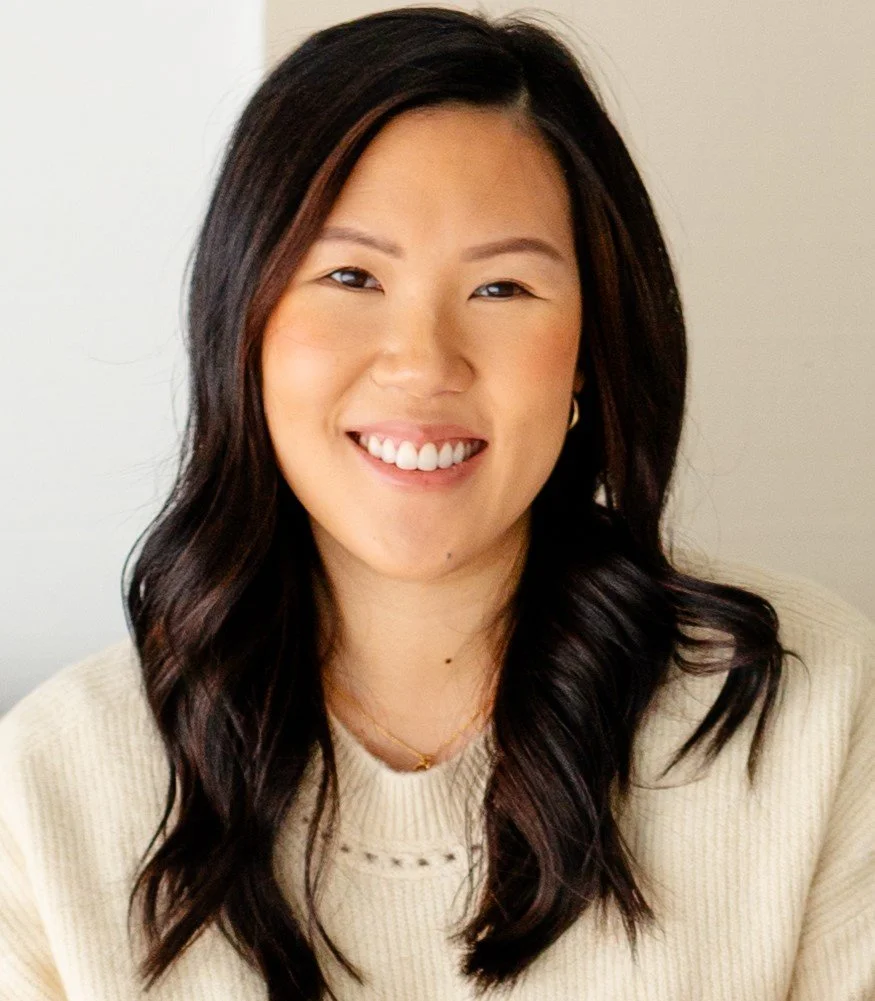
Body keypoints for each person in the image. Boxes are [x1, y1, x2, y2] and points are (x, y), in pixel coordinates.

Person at [1, 6, 872, 1000]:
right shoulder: (52, 787)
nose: (423, 362)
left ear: (587, 348)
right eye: (350, 274)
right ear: (243, 324)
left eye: (500, 288)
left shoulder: (814, 712)